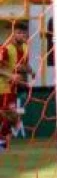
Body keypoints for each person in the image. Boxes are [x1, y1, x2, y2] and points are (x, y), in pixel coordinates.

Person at [0, 22, 30, 153]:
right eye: (19, 33)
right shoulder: (5, 48)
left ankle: (3, 143)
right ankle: (2, 142)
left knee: (10, 116)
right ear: (12, 34)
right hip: (2, 86)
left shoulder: (25, 47)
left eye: (24, 33)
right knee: (9, 115)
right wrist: (11, 76)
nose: (22, 35)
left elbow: (20, 66)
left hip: (13, 87)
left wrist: (30, 71)